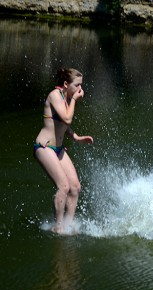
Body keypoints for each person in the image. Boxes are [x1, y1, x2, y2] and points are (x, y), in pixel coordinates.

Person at [34, 68, 93, 234]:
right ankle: (58, 226)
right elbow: (67, 118)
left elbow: (62, 124)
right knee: (64, 186)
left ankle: (69, 224)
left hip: (58, 149)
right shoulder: (55, 95)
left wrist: (76, 137)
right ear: (66, 84)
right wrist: (74, 99)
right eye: (77, 85)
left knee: (75, 187)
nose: (80, 89)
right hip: (44, 147)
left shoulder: (65, 97)